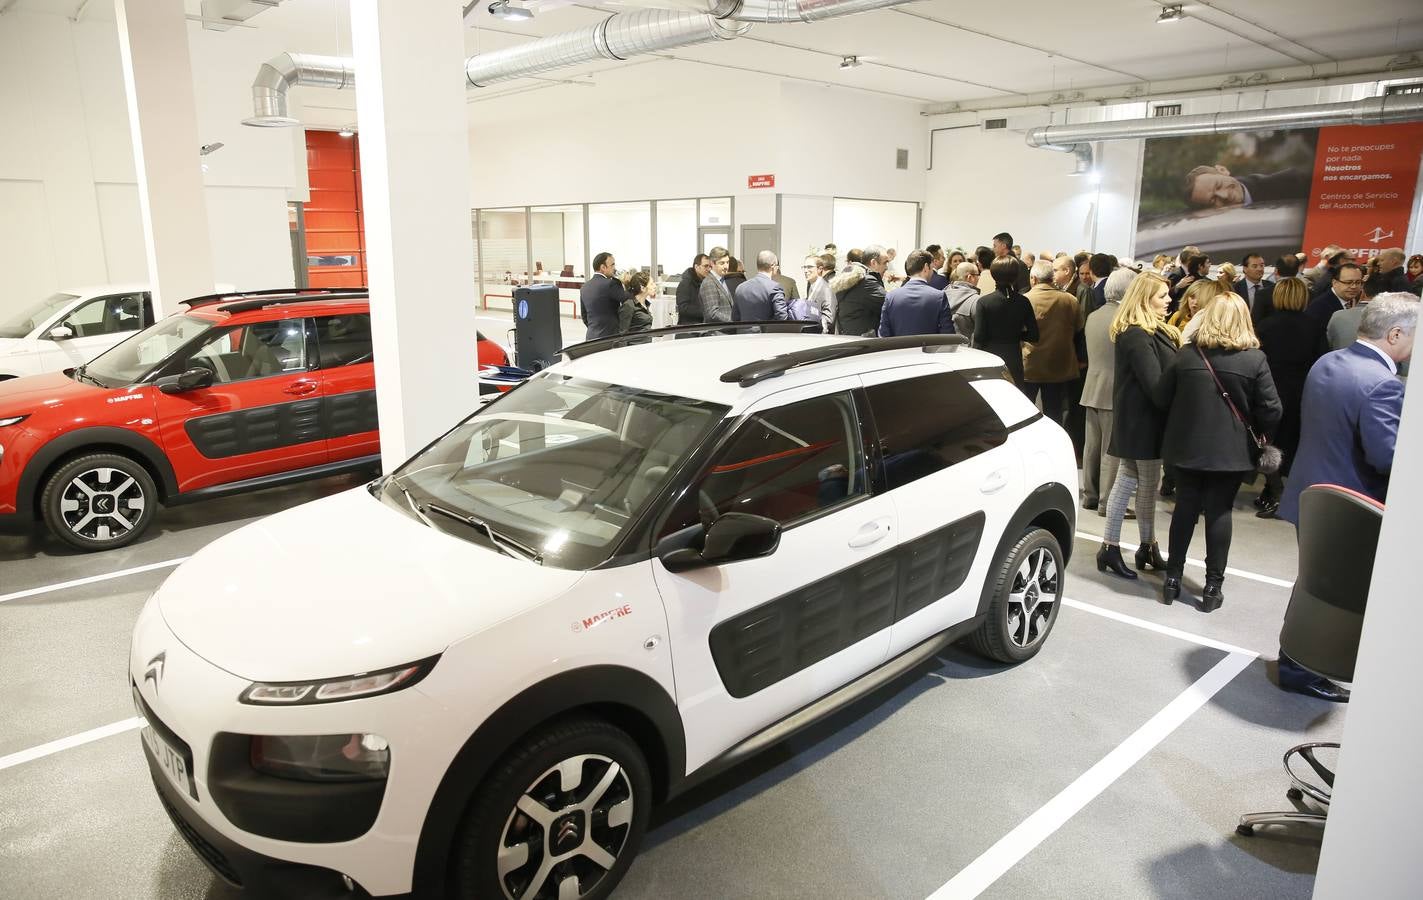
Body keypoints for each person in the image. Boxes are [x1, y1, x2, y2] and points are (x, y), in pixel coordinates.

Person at [1275, 293, 1417, 702]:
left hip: (1313, 492)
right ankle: (1305, 668)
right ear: (1395, 333)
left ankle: (1296, 660)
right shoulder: (1382, 384)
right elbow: (1386, 456)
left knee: (1313, 585)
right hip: (1352, 503)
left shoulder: (1329, 361)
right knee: (1337, 594)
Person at [1154, 295, 1282, 610]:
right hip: (1232, 450)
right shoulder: (1255, 360)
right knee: (1219, 513)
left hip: (1185, 446)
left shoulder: (1187, 355)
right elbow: (1272, 409)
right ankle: (1212, 587)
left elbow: (1160, 396)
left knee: (1184, 509)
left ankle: (1172, 579)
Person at [1097, 272, 1180, 581]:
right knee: (1139, 486)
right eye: (1162, 295)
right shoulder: (1136, 334)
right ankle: (1118, 546)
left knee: (1136, 484)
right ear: (1145, 299)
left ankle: (1133, 546)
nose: (1169, 299)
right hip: (1142, 422)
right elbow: (1156, 386)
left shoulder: (1151, 331)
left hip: (1142, 422)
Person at [1254, 277, 1318, 518]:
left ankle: (1275, 491)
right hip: (1301, 392)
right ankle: (1276, 492)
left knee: (1268, 444)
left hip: (1270, 391)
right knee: (1290, 443)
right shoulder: (1314, 325)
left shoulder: (1266, 326)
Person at [1081, 269, 1134, 515]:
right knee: (1110, 451)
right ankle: (1107, 502)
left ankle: (1090, 496)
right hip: (1115, 391)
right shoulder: (1126, 320)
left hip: (1092, 387)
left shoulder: (1094, 315)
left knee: (1092, 447)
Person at [1022, 259, 1080, 425]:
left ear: (1033, 279)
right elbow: (1078, 328)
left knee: (1026, 411)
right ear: (1052, 278)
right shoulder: (1070, 300)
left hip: (1030, 364)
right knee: (1054, 413)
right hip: (1059, 365)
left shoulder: (1025, 299)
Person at [974, 257, 1040, 390]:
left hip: (990, 356)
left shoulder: (984, 302)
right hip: (1013, 355)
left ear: (993, 274)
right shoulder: (1023, 302)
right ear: (1016, 275)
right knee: (1014, 396)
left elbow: (979, 337)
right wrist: (1016, 334)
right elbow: (1034, 335)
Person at [878, 249, 951, 337]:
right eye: (932, 268)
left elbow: (883, 334)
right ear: (926, 267)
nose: (932, 272)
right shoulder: (939, 297)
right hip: (928, 349)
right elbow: (947, 335)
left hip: (898, 350)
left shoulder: (891, 297)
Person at [1183, 164, 1310, 208]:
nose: (1225, 195)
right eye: (1213, 200)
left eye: (1219, 185)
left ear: (1223, 170)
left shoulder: (1294, 182)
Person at [832, 244, 888, 337]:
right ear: (873, 262)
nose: (886, 267)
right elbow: (890, 303)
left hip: (852, 337)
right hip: (865, 340)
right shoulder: (866, 282)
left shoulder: (853, 279)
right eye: (885, 262)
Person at [580, 251, 627, 341]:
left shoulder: (584, 287)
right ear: (603, 267)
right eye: (612, 265)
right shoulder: (610, 284)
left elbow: (584, 316)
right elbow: (626, 299)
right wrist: (626, 283)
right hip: (609, 337)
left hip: (591, 337)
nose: (615, 268)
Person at [734, 251, 790, 321]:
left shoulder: (740, 288)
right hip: (765, 331)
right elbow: (782, 317)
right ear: (773, 266)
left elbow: (735, 317)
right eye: (777, 266)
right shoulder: (775, 287)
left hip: (743, 332)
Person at [1304, 261, 1363, 326]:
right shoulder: (1320, 308)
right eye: (1348, 282)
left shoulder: (1351, 301)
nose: (1354, 287)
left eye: (1358, 282)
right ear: (1334, 283)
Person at [946, 261, 981, 341]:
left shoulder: (942, 296)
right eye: (977, 275)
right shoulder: (976, 300)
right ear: (970, 277)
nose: (979, 278)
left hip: (944, 348)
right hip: (968, 350)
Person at [699, 246, 735, 323]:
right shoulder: (709, 283)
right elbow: (712, 314)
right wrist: (734, 321)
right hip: (717, 333)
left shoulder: (722, 280)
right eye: (722, 263)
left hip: (726, 331)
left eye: (727, 262)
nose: (726, 266)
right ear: (712, 263)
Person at [1235, 253, 1273, 322]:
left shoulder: (1272, 287)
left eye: (1262, 265)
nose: (1259, 269)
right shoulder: (1235, 289)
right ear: (1245, 269)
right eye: (1255, 266)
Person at [676, 253, 710, 325]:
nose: (709, 269)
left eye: (710, 266)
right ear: (696, 267)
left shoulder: (706, 283)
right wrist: (705, 312)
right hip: (689, 329)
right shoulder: (686, 283)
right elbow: (683, 308)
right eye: (706, 266)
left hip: (702, 327)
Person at [812, 253, 838, 334]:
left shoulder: (825, 284)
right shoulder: (838, 279)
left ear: (821, 268)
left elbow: (828, 314)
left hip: (827, 329)